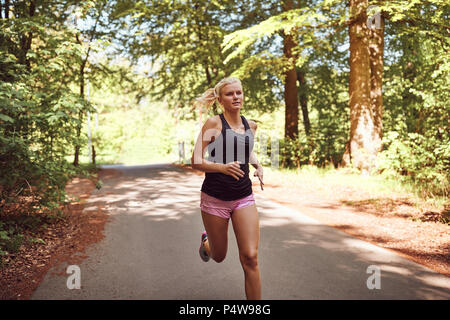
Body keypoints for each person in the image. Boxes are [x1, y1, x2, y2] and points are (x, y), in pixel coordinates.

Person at [191, 77, 264, 300]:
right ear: (221, 100)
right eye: (230, 94)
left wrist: (257, 164)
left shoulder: (250, 125)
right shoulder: (213, 124)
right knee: (219, 255)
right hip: (215, 198)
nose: (236, 97)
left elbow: (244, 149)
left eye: (239, 93)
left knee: (250, 257)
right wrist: (222, 168)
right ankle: (207, 242)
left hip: (243, 196)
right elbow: (195, 160)